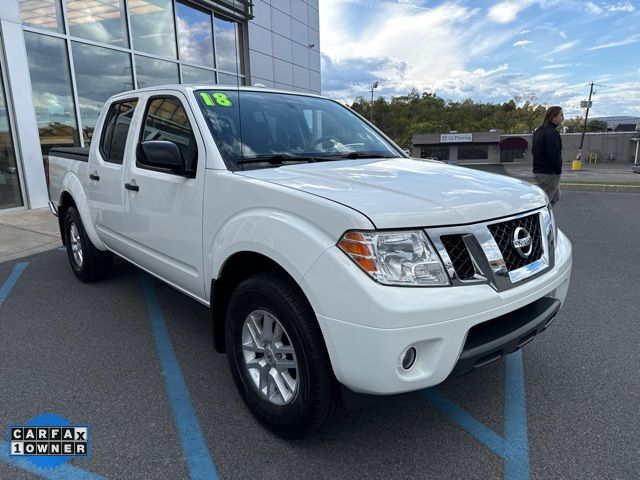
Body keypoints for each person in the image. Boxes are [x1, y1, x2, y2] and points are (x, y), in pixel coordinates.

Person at [532, 106, 564, 206]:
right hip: (548, 174)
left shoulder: (539, 130)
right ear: (553, 117)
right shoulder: (552, 133)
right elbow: (553, 154)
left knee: (555, 197)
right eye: (561, 115)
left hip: (540, 171)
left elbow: (534, 150)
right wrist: (558, 171)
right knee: (543, 204)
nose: (563, 117)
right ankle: (540, 221)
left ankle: (545, 219)